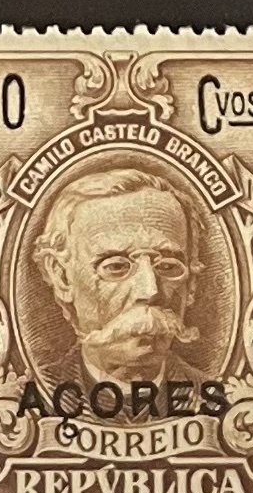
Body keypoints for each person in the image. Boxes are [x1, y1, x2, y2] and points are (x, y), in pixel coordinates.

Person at [27, 165, 220, 392]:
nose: (150, 290)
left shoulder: (219, 395)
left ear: (191, 283)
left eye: (168, 266)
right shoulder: (28, 393)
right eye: (117, 266)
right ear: (62, 276)